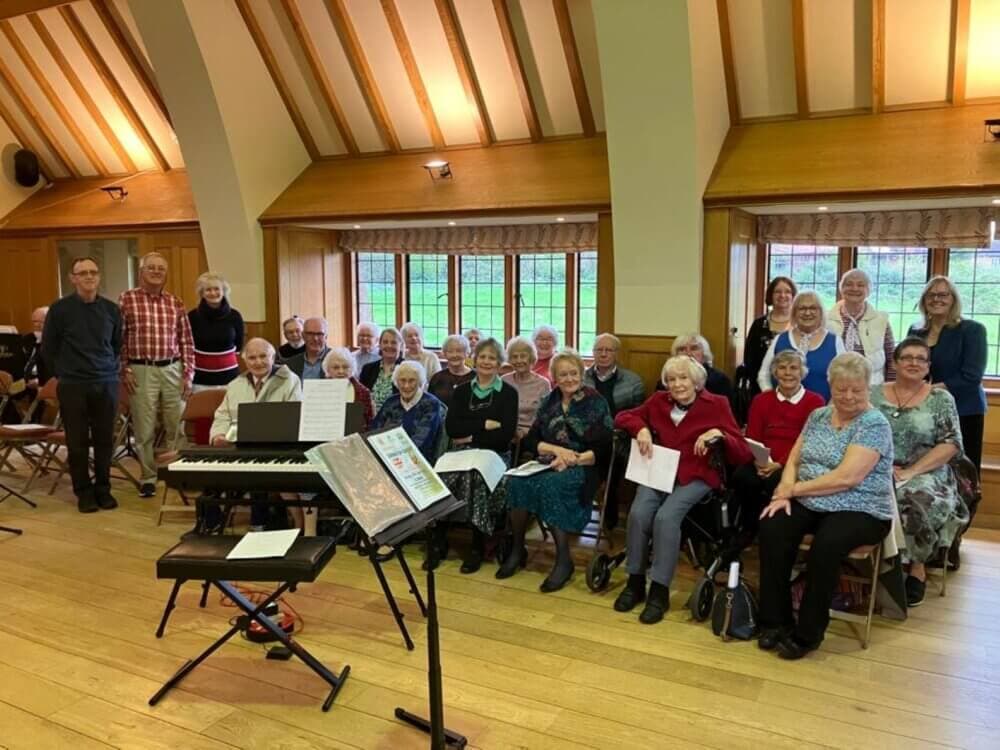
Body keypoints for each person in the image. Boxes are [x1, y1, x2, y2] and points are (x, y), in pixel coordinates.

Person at [757, 352, 894, 660]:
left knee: (827, 545)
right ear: (830, 385)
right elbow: (794, 456)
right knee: (772, 527)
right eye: (841, 388)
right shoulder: (818, 414)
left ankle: (808, 633)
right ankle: (774, 622)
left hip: (861, 507)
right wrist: (783, 491)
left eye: (856, 390)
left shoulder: (874, 424)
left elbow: (847, 477)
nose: (848, 396)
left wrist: (793, 489)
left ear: (867, 387)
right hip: (810, 500)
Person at [613, 356, 751, 624]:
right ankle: (635, 581)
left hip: (697, 475)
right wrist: (640, 428)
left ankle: (659, 590)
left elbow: (742, 450)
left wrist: (718, 434)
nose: (677, 384)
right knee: (639, 513)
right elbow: (623, 417)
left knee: (666, 518)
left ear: (697, 381)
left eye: (683, 378)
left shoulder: (717, 404)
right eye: (672, 379)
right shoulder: (658, 401)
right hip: (660, 471)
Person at [495, 349, 613, 592]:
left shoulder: (595, 402)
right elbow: (530, 440)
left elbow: (604, 448)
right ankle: (518, 548)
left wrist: (572, 459)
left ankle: (563, 560)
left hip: (584, 465)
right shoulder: (549, 400)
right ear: (555, 377)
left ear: (581, 374)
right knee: (515, 482)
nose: (569, 379)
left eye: (573, 373)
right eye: (563, 375)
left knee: (551, 486)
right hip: (548, 461)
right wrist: (555, 450)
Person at [871, 337, 968, 606]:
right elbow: (860, 431)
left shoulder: (940, 399)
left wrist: (911, 471)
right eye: (907, 357)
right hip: (877, 467)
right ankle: (870, 564)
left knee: (912, 502)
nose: (914, 363)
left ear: (928, 366)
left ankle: (916, 567)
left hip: (928, 471)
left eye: (920, 358)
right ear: (895, 362)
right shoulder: (873, 394)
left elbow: (951, 444)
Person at [42, 257, 122, 513]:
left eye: (93, 272)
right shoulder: (60, 309)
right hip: (73, 384)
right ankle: (83, 492)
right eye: (82, 273)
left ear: (99, 277)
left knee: (104, 440)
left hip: (105, 382)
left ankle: (103, 488)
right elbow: (48, 348)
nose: (89, 277)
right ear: (72, 278)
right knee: (76, 442)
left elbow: (116, 344)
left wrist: (107, 370)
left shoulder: (111, 310)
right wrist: (63, 375)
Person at [437, 338, 519, 573]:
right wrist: (484, 424)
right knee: (444, 477)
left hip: (495, 454)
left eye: (492, 358)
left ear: (499, 363)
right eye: (482, 356)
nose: (486, 362)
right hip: (461, 453)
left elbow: (504, 436)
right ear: (475, 358)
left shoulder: (508, 394)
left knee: (475, 478)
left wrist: (470, 436)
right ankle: (439, 539)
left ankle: (477, 544)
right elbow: (453, 429)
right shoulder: (462, 391)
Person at [119, 252, 195, 498]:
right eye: (150, 268)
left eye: (161, 268)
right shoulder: (126, 299)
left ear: (166, 273)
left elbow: (186, 340)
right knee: (144, 428)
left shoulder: (175, 302)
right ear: (141, 272)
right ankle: (149, 477)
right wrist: (125, 368)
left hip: (173, 368)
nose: (156, 271)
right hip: (140, 369)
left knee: (177, 424)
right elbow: (118, 338)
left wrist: (188, 374)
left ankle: (177, 472)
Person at [209, 338, 302, 531]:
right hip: (238, 446)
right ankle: (209, 525)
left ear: (273, 357)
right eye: (252, 357)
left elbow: (294, 415)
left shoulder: (289, 380)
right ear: (244, 360)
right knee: (207, 474)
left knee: (259, 472)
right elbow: (223, 415)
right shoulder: (236, 384)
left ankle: (260, 524)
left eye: (263, 356)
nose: (258, 362)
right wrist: (218, 435)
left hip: (276, 447)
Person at [732, 350, 824, 540]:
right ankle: (749, 528)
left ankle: (772, 530)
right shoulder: (761, 400)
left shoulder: (815, 402)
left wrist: (779, 464)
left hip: (795, 461)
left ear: (802, 372)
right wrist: (760, 461)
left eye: (793, 368)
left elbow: (808, 441)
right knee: (742, 477)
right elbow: (753, 436)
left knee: (776, 480)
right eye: (782, 368)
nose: (788, 373)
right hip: (762, 460)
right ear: (774, 373)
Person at [908, 275, 987, 478]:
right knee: (929, 468)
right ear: (924, 301)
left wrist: (930, 390)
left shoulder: (972, 330)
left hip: (964, 410)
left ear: (953, 299)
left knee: (964, 472)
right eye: (931, 295)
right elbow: (910, 366)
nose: (937, 299)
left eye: (943, 294)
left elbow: (972, 376)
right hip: (926, 411)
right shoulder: (916, 331)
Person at [758, 290, 845, 402]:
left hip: (822, 412)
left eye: (813, 308)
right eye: (802, 308)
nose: (807, 313)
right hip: (782, 411)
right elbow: (763, 374)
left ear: (821, 313)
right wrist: (771, 400)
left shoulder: (835, 341)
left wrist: (830, 409)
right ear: (794, 313)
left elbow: (843, 379)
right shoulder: (780, 339)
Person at [826, 269, 895, 385]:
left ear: (868, 291)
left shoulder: (881, 320)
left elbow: (892, 358)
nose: (854, 288)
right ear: (841, 288)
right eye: (849, 284)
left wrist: (890, 388)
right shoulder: (826, 319)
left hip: (873, 386)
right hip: (835, 384)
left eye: (860, 285)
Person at [370, 361, 446, 462]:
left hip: (419, 460)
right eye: (402, 380)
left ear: (419, 382)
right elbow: (375, 432)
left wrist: (395, 457)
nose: (406, 386)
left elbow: (422, 442)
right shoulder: (391, 402)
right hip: (389, 458)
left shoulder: (430, 404)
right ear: (396, 382)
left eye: (412, 381)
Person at [187, 272, 244, 390]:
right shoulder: (192, 317)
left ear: (224, 291)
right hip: (200, 381)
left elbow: (239, 346)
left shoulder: (235, 316)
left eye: (217, 289)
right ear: (201, 293)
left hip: (230, 379)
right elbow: (188, 347)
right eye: (208, 290)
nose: (213, 293)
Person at [744, 277, 796, 395]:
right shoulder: (759, 325)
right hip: (761, 387)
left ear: (793, 296)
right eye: (777, 291)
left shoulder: (799, 325)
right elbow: (750, 359)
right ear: (770, 296)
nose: (782, 295)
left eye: (787, 291)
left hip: (794, 387)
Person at [583, 332, 645, 416]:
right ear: (593, 353)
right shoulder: (581, 378)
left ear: (616, 354)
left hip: (621, 426)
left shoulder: (633, 382)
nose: (603, 354)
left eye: (609, 350)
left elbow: (639, 414)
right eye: (599, 350)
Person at [501, 336, 551, 437]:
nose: (519, 360)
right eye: (515, 357)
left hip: (533, 434)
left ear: (531, 358)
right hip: (507, 432)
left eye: (523, 356)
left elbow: (547, 416)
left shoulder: (543, 384)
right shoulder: (504, 380)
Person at [666, 333, 734, 404]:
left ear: (704, 353)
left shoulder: (720, 380)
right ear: (675, 354)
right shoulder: (667, 379)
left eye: (694, 348)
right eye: (682, 349)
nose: (688, 353)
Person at [322, 346, 374, 427]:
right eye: (336, 367)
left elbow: (369, 423)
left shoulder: (363, 392)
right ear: (327, 370)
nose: (341, 371)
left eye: (345, 367)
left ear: (352, 369)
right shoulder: (318, 391)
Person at [360, 327, 403, 412]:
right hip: (371, 419)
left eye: (394, 342)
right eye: (385, 342)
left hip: (397, 420)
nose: (389, 345)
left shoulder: (407, 369)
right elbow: (361, 398)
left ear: (400, 346)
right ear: (379, 345)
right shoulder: (368, 369)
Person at [428, 334, 474, 409]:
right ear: (445, 354)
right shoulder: (437, 378)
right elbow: (430, 405)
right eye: (450, 351)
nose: (454, 355)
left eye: (459, 351)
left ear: (467, 353)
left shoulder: (476, 377)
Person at [285, 317, 331, 381]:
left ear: (326, 337)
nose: (315, 338)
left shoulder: (338, 360)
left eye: (320, 334)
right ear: (303, 336)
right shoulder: (290, 364)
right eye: (310, 334)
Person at [22, 306, 50, 386]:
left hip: (45, 383)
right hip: (25, 381)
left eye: (40, 322)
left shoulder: (58, 342)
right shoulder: (28, 338)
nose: (36, 325)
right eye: (34, 322)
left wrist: (40, 381)